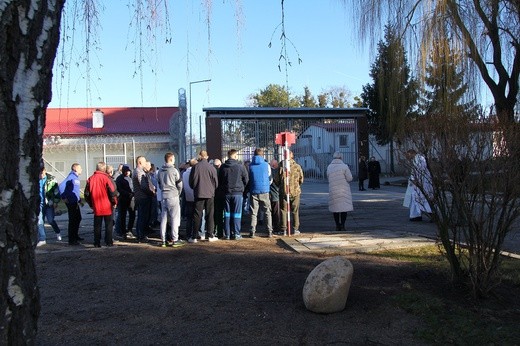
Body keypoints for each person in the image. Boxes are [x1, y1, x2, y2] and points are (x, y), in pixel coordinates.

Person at [218, 149, 249, 240]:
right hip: (237, 193)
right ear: (235, 156)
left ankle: (227, 234)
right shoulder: (240, 166)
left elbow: (220, 180)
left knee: (227, 213)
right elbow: (246, 180)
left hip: (226, 193)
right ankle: (236, 233)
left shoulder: (223, 167)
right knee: (237, 214)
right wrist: (242, 188)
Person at [85, 162, 118, 247]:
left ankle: (97, 242)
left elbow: (86, 194)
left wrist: (91, 204)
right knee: (109, 225)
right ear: (104, 169)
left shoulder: (90, 179)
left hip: (96, 205)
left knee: (97, 225)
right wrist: (114, 202)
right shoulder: (107, 178)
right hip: (107, 205)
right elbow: (113, 191)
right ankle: (109, 241)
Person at [189, 150, 219, 242]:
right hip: (210, 194)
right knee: (210, 215)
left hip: (198, 193)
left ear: (200, 156)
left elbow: (191, 181)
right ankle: (210, 235)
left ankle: (194, 236)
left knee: (197, 215)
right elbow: (216, 182)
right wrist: (212, 189)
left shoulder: (195, 167)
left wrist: (195, 188)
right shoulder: (211, 167)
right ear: (207, 156)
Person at [157, 152, 184, 247]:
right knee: (174, 218)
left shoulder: (160, 170)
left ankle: (163, 240)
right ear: (171, 159)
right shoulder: (174, 170)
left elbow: (159, 184)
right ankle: (175, 239)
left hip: (164, 196)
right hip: (173, 196)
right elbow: (180, 184)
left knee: (163, 219)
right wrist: (178, 193)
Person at [248, 148, 273, 238]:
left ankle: (252, 231)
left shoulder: (250, 166)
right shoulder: (266, 165)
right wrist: (266, 185)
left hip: (254, 190)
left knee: (254, 212)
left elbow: (248, 178)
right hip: (264, 191)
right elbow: (270, 178)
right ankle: (269, 231)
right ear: (262, 155)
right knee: (267, 211)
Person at [278, 150, 304, 235]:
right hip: (295, 191)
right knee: (295, 210)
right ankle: (295, 229)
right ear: (291, 155)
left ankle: (284, 229)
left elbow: (276, 179)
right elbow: (301, 179)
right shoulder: (297, 166)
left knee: (283, 210)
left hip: (284, 191)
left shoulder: (281, 166)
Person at [327, 152, 354, 231]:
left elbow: (328, 177)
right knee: (343, 209)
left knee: (335, 209)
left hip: (333, 190)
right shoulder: (344, 166)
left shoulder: (329, 167)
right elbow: (349, 178)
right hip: (343, 190)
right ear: (341, 158)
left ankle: (337, 225)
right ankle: (342, 225)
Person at [405, 149, 433, 222]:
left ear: (411, 153)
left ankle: (432, 215)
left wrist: (414, 179)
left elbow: (419, 170)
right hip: (417, 182)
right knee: (414, 199)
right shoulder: (417, 159)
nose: (408, 156)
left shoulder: (419, 159)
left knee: (422, 199)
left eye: (408, 154)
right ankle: (415, 215)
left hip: (421, 182)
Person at [59, 163, 83, 245]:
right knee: (73, 220)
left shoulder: (76, 177)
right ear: (75, 168)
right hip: (71, 202)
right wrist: (64, 197)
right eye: (80, 168)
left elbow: (75, 190)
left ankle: (75, 235)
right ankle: (72, 239)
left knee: (78, 218)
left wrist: (79, 199)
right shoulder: (71, 177)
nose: (81, 170)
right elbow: (61, 187)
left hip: (75, 201)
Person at [37, 167, 63, 246]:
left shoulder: (51, 179)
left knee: (50, 220)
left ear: (45, 171)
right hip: (39, 203)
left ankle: (57, 231)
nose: (40, 175)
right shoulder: (34, 179)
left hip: (49, 203)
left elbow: (56, 191)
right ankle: (42, 238)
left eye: (42, 173)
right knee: (40, 221)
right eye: (39, 173)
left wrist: (55, 202)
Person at [133, 156, 155, 242]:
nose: (146, 163)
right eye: (144, 161)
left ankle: (142, 234)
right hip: (142, 197)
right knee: (142, 217)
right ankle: (140, 235)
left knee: (143, 217)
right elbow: (143, 186)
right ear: (140, 162)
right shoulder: (139, 172)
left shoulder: (140, 172)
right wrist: (151, 192)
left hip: (143, 197)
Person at [115, 165, 135, 239]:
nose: (127, 173)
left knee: (132, 215)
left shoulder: (130, 178)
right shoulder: (119, 179)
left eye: (128, 171)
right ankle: (123, 231)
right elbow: (119, 189)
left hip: (131, 199)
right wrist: (128, 193)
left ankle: (129, 229)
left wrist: (133, 193)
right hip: (123, 199)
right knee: (122, 216)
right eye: (126, 171)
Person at [182, 159, 198, 241]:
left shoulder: (184, 173)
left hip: (188, 197)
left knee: (189, 218)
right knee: (197, 216)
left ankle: (188, 234)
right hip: (196, 196)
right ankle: (196, 233)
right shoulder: (196, 172)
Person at [213, 158, 225, 238]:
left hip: (213, 195)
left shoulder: (212, 171)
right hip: (222, 194)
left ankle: (214, 230)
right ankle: (221, 232)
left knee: (214, 214)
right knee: (222, 214)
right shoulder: (223, 170)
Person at [269, 159, 281, 234]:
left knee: (270, 212)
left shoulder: (268, 171)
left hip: (269, 194)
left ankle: (271, 226)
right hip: (275, 195)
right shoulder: (276, 172)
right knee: (276, 212)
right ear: (274, 165)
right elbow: (278, 183)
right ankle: (276, 227)